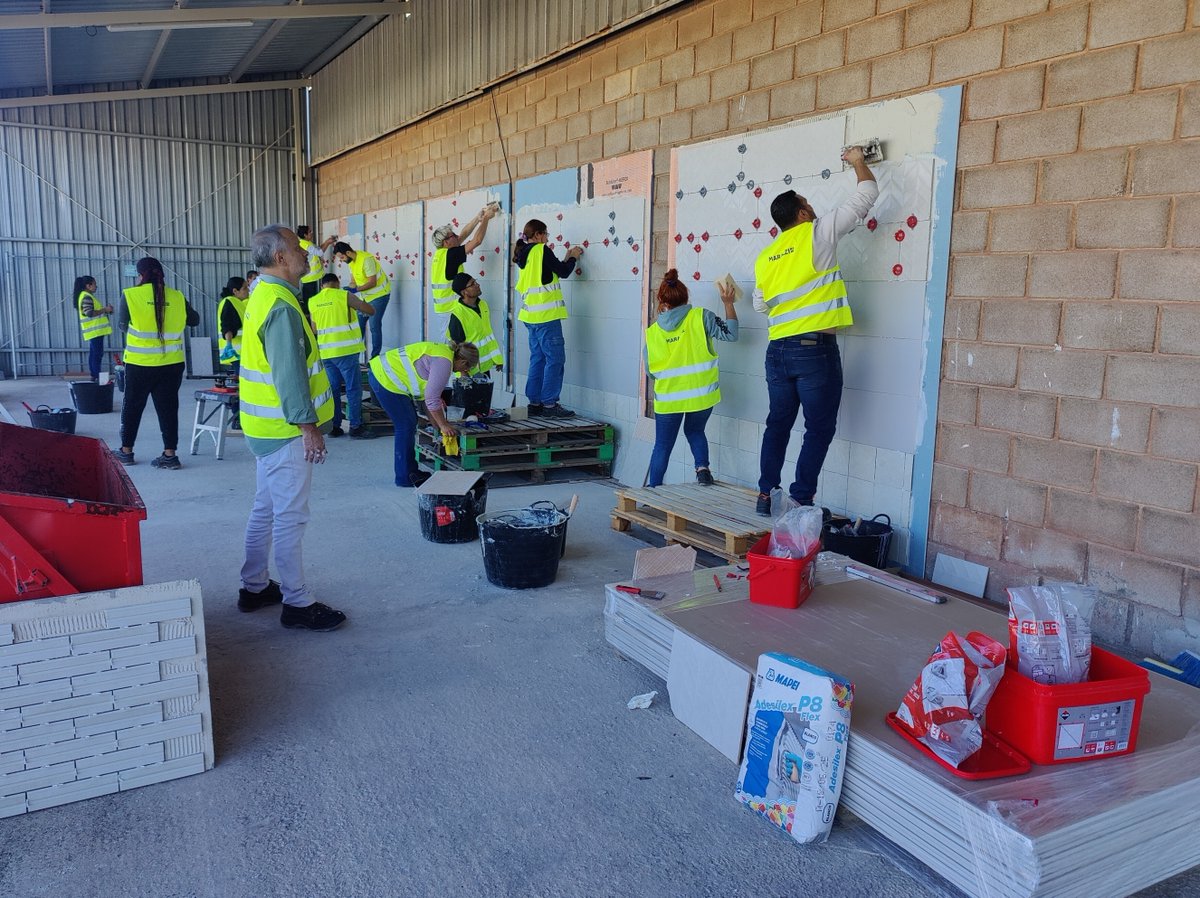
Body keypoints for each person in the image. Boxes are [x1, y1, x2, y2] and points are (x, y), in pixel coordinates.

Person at [754, 145, 878, 515]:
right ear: (803, 212)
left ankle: (766, 494)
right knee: (818, 429)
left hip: (777, 352)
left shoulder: (766, 255)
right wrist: (858, 160)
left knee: (777, 424)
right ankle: (801, 498)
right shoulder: (817, 232)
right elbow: (867, 194)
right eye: (808, 204)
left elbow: (762, 304)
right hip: (814, 351)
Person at [237, 224, 345, 632]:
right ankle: (297, 603)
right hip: (284, 431)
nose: (307, 255)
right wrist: (308, 428)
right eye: (300, 249)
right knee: (290, 516)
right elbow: (289, 374)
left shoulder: (265, 293)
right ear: (281, 258)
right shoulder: (280, 306)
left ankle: (253, 587)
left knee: (265, 509)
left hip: (263, 428)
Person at [645, 269, 739, 487]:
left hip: (668, 401)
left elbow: (650, 371)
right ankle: (703, 469)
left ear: (662, 300)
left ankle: (652, 491)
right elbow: (732, 334)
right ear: (685, 297)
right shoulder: (700, 316)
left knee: (662, 446)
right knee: (695, 431)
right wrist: (728, 303)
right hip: (701, 395)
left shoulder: (652, 332)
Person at [112, 257, 200, 469]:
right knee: (168, 408)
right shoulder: (177, 296)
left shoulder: (131, 295)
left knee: (132, 406)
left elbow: (123, 325)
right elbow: (194, 320)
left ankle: (126, 451)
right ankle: (170, 455)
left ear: (141, 276)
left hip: (140, 363)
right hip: (172, 364)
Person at [367, 341, 480, 488]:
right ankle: (404, 476)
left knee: (407, 424)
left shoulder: (443, 352)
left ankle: (409, 471)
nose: (465, 372)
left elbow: (427, 399)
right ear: (463, 361)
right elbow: (432, 399)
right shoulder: (444, 363)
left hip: (382, 373)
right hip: (385, 378)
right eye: (467, 368)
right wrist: (444, 425)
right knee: (405, 425)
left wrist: (437, 426)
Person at [512, 219, 582, 418]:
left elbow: (546, 273)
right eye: (546, 234)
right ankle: (550, 405)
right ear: (538, 235)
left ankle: (534, 403)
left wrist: (567, 257)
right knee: (555, 359)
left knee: (538, 358)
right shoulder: (542, 250)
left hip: (530, 316)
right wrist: (574, 257)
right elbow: (563, 272)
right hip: (546, 317)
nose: (547, 238)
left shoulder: (524, 253)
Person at [308, 272, 377, 440]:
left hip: (326, 353)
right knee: (353, 389)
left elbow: (314, 330)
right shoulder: (344, 295)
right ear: (337, 283)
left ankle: (335, 426)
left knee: (334, 390)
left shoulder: (313, 301)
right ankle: (355, 426)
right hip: (346, 351)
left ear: (322, 285)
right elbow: (370, 310)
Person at [430, 204, 497, 316]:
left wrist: (477, 218)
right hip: (453, 309)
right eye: (453, 235)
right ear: (446, 242)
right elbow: (477, 240)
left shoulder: (440, 254)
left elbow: (463, 234)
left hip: (444, 309)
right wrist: (486, 218)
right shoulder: (451, 254)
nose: (457, 236)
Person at [333, 242, 390, 359]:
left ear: (348, 253)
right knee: (359, 326)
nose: (342, 260)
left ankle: (375, 359)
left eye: (342, 257)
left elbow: (372, 282)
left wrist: (356, 290)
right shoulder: (351, 262)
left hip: (379, 295)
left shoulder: (366, 259)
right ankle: (355, 358)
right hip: (364, 297)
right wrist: (351, 287)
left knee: (374, 326)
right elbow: (353, 281)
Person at [446, 272, 503, 375]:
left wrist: (497, 359)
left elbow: (487, 335)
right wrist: (464, 374)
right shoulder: (457, 315)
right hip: (469, 371)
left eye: (475, 281)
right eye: (472, 284)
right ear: (464, 292)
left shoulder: (483, 305)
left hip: (484, 366)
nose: (477, 284)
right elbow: (457, 346)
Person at [74, 274, 112, 383]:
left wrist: (107, 310)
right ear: (88, 285)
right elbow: (89, 313)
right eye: (94, 284)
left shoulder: (85, 296)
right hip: (95, 330)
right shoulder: (86, 297)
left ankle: (94, 375)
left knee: (94, 354)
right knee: (97, 354)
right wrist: (105, 309)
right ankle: (97, 377)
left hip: (95, 331)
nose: (96, 286)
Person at [216, 276, 249, 376]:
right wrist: (229, 345)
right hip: (236, 352)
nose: (247, 290)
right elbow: (227, 326)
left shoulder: (238, 303)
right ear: (235, 291)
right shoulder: (229, 303)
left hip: (240, 352)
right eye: (245, 288)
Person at [296, 226, 327, 305]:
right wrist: (328, 242)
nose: (312, 233)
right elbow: (319, 252)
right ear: (305, 235)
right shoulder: (305, 245)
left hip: (311, 278)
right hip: (310, 278)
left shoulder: (306, 243)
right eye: (310, 231)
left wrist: (326, 243)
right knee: (311, 302)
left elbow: (318, 250)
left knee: (312, 301)